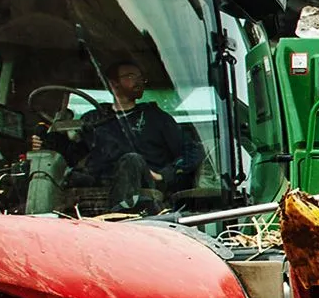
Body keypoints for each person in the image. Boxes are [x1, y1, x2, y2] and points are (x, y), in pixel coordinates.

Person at [26, 61, 203, 214]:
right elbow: (73, 155)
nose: (139, 81)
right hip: (96, 188)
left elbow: (193, 150)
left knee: (132, 161)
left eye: (140, 77)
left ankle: (122, 215)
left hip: (142, 192)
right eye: (132, 76)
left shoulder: (156, 118)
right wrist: (46, 145)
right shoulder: (93, 119)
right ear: (113, 83)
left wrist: (163, 175)